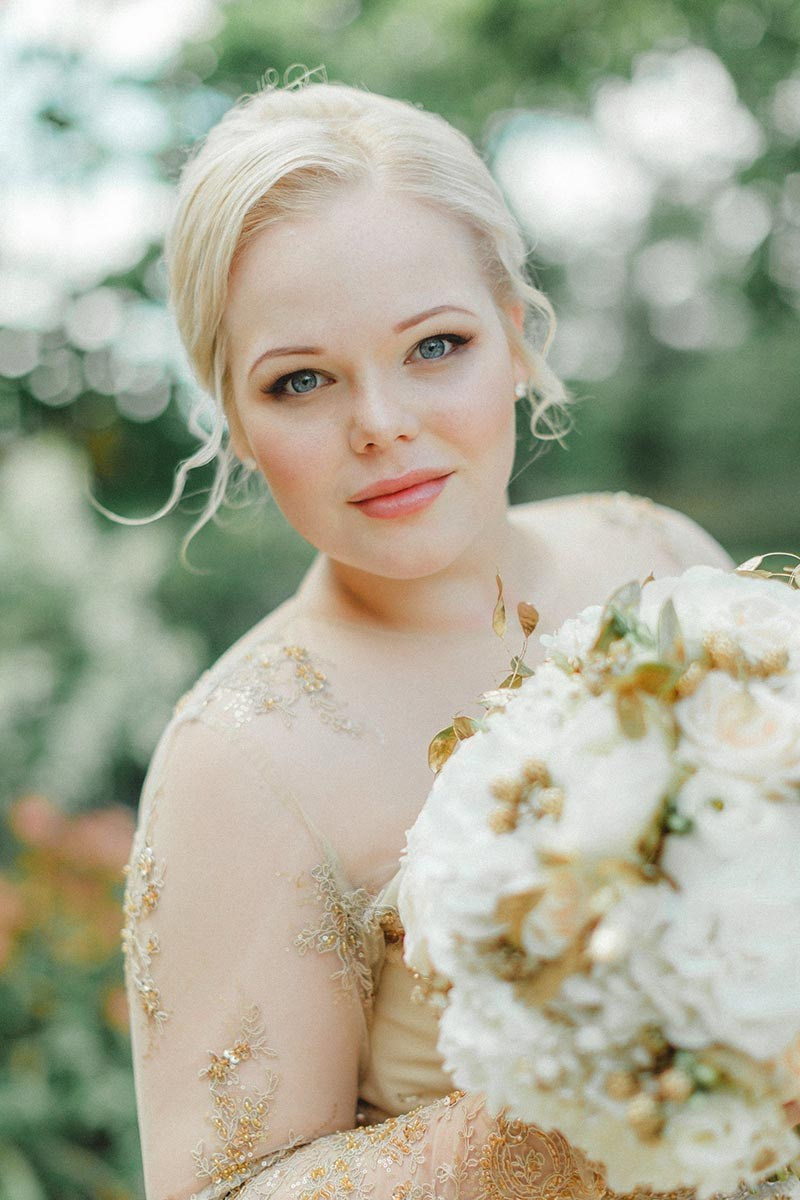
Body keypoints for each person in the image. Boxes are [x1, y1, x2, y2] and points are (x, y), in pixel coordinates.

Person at [121, 74, 734, 1200]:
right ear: (236, 420)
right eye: (300, 380)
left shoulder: (657, 556)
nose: (380, 424)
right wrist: (593, 1113)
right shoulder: (240, 761)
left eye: (435, 345)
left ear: (514, 336)